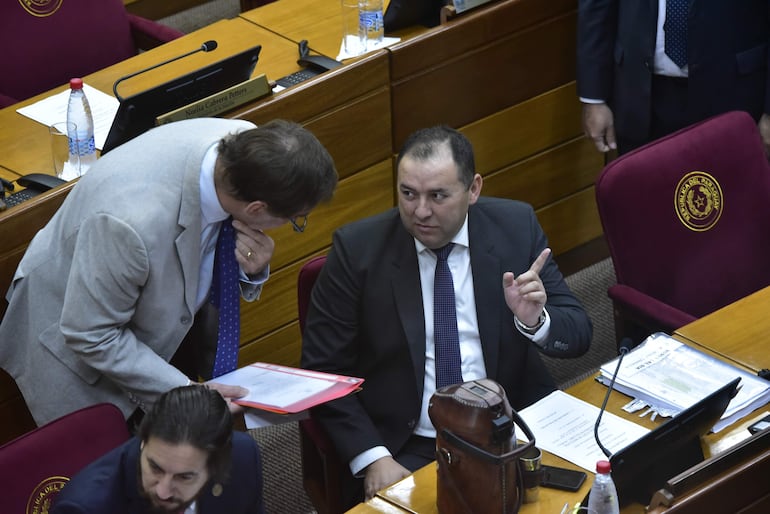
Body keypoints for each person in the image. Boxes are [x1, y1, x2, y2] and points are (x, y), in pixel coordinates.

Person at [301, 125, 592, 507]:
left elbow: (580, 334)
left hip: (510, 428)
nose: (420, 211)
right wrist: (374, 457)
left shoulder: (515, 228)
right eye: (408, 194)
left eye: (438, 196)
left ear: (473, 189)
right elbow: (323, 373)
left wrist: (535, 321)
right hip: (408, 444)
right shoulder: (357, 251)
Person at [0, 118, 337, 427]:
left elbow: (202, 257)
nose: (291, 226)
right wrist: (184, 393)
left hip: (160, 319)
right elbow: (91, 334)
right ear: (256, 209)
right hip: (74, 351)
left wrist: (252, 267)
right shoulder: (131, 224)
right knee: (121, 478)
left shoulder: (246, 150)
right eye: (295, 219)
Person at [577, 1, 770, 155]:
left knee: (731, 199)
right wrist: (594, 97)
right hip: (641, 97)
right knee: (646, 198)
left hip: (735, 95)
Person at [51, 384, 265, 513]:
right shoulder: (84, 508)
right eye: (155, 468)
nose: (163, 491)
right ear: (143, 441)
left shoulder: (243, 457)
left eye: (184, 477)